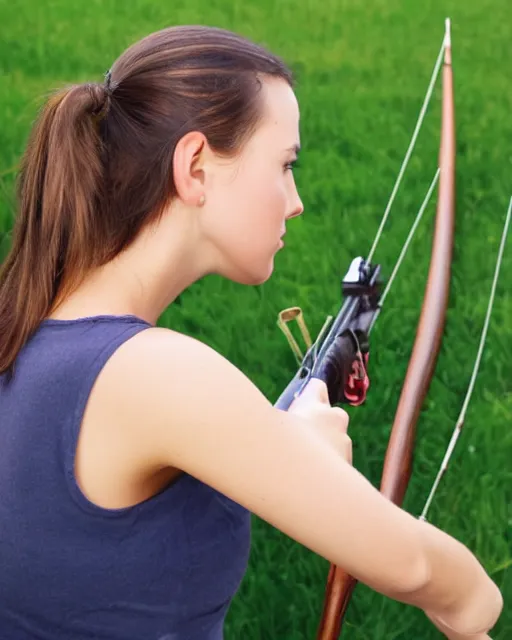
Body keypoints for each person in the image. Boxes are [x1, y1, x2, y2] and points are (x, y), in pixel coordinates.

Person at [0, 24, 502, 640]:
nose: (296, 201)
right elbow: (427, 571)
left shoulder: (27, 333)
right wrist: (472, 602)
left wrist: (288, 449)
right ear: (195, 168)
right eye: (285, 165)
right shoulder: (154, 374)